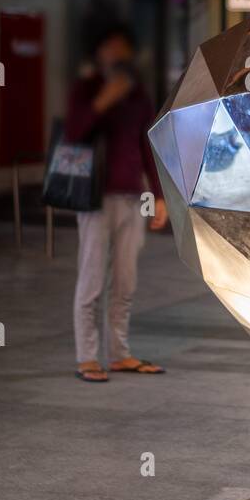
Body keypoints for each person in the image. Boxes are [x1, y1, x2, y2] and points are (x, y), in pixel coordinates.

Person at [65, 23, 168, 383]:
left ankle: (120, 353)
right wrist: (104, 100)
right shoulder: (87, 89)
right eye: (110, 47)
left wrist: (158, 194)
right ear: (98, 52)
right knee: (92, 278)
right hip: (94, 197)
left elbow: (147, 144)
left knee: (125, 280)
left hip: (130, 196)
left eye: (123, 47)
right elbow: (73, 132)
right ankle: (87, 356)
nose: (117, 54)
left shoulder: (138, 94)